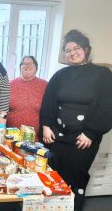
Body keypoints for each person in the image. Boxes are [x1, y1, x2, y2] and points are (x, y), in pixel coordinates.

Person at [40, 29, 112, 211]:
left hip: (83, 140)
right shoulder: (60, 76)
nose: (72, 53)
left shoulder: (102, 74)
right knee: (54, 178)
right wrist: (46, 126)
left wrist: (91, 132)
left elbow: (107, 106)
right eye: (67, 50)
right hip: (57, 138)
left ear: (86, 49)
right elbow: (48, 101)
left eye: (76, 48)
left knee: (76, 179)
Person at [7, 56, 47, 141]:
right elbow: (3, 109)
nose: (27, 65)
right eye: (24, 64)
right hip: (11, 136)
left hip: (33, 138)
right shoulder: (10, 84)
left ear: (36, 67)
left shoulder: (45, 85)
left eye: (30, 63)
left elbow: (50, 110)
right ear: (20, 68)